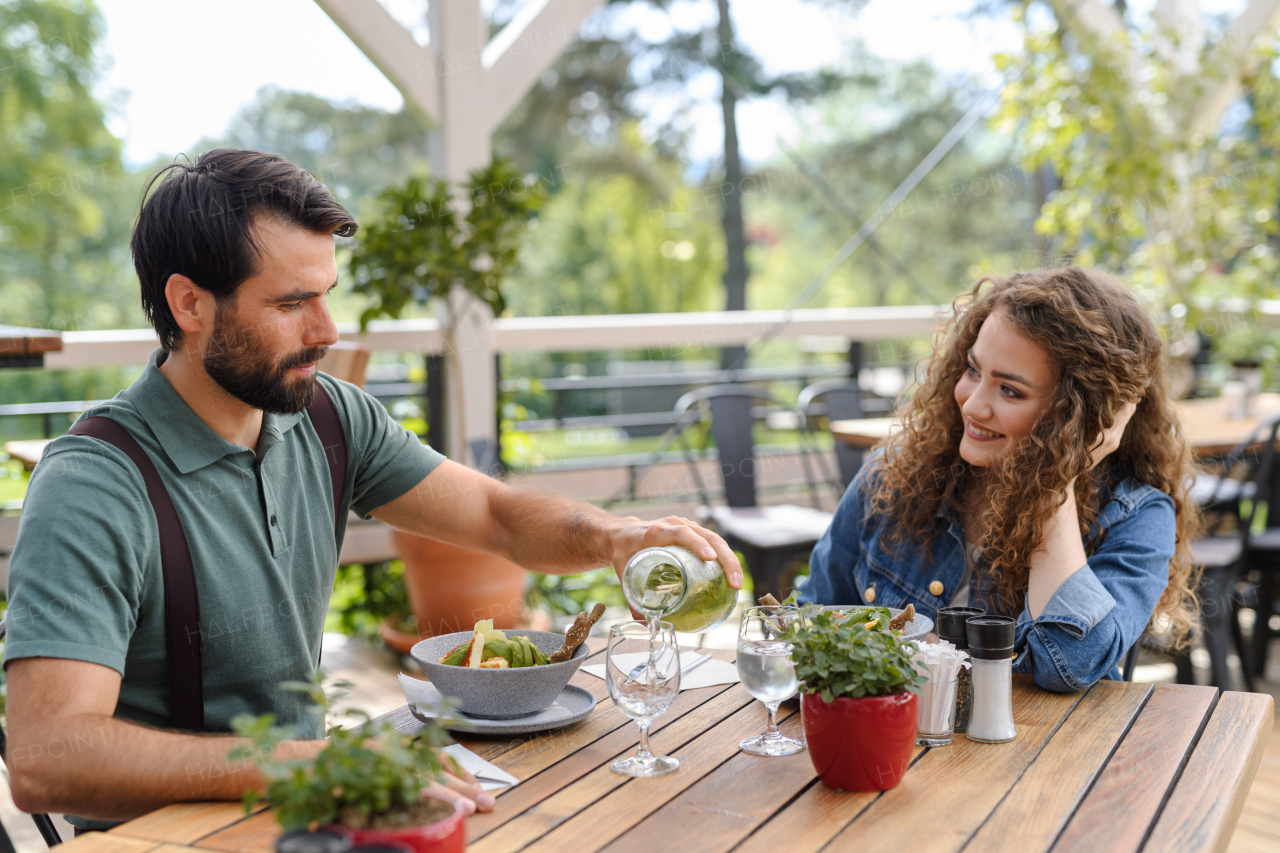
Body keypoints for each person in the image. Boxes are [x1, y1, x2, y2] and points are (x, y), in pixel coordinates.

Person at [2, 149, 743, 829]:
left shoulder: (326, 416)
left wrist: (614, 536)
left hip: (321, 814)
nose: (327, 330)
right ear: (190, 305)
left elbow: (494, 513)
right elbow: (46, 759)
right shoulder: (95, 484)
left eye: (326, 294)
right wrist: (311, 762)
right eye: (292, 303)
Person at [803, 267, 1199, 692]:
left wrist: (1056, 478)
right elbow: (814, 616)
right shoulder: (894, 474)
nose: (973, 405)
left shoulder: (1136, 515)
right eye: (973, 370)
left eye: (1010, 391)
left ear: (1080, 415)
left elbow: (1071, 664)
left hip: (1042, 755)